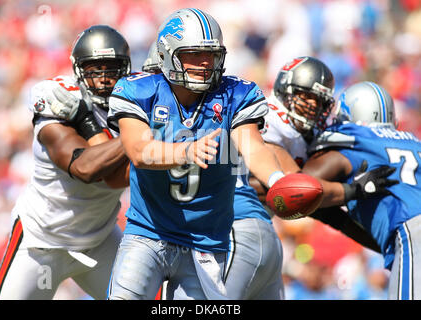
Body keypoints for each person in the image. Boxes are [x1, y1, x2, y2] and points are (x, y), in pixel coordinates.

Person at [106, 8, 292, 300]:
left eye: (211, 55)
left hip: (206, 243)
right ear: (168, 54)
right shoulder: (140, 90)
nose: (205, 63)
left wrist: (279, 180)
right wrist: (187, 150)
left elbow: (253, 146)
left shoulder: (235, 95)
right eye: (193, 54)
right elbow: (139, 151)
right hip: (147, 233)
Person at [0, 25, 131, 300]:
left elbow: (119, 176)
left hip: (100, 240)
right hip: (40, 242)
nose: (104, 78)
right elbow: (85, 168)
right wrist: (140, 137)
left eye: (111, 68)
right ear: (79, 70)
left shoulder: (134, 102)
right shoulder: (61, 100)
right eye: (94, 69)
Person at [141, 42, 284, 300]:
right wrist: (278, 180)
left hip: (227, 234)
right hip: (262, 230)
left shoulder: (173, 121)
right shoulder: (223, 106)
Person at [302, 81, 420, 300]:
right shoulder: (412, 142)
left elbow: (300, 188)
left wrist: (345, 192)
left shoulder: (356, 140)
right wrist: (333, 215)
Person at [254, 56, 385, 252]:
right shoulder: (268, 118)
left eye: (319, 100)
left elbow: (325, 211)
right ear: (285, 91)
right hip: (228, 219)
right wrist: (352, 190)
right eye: (306, 96)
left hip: (258, 225)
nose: (313, 105)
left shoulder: (309, 134)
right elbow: (297, 190)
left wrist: (384, 246)